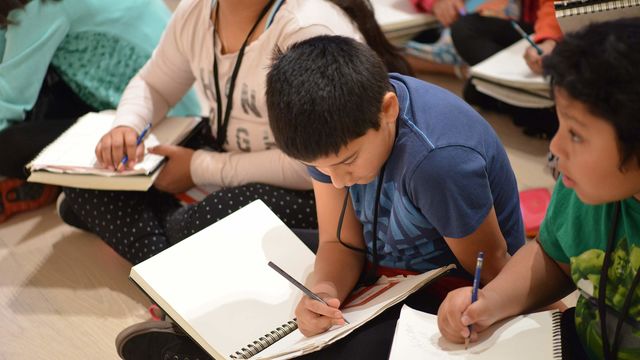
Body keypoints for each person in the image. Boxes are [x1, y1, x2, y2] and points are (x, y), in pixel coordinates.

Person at [60, 0, 411, 266]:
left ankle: (158, 245)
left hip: (312, 183)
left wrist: (199, 167)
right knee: (84, 179)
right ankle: (170, 246)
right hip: (223, 151)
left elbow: (318, 163)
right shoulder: (197, 11)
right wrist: (127, 125)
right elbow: (154, 84)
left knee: (201, 222)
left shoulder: (305, 26)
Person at [263, 34, 524, 358]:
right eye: (319, 169)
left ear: (388, 110)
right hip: (382, 274)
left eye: (347, 162)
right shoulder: (329, 136)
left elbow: (493, 269)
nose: (338, 182)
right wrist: (323, 291)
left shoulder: (438, 161)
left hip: (447, 290)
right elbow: (339, 243)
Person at [437, 18, 640, 360]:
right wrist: (491, 301)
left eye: (576, 134)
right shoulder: (582, 187)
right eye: (558, 124)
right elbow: (553, 257)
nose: (556, 147)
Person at [0, 0, 200, 224]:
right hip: (179, 110)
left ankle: (74, 185)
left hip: (153, 127)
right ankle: (67, 185)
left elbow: (10, 98)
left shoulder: (38, 9)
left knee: (7, 146)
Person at [449, 0, 563, 138]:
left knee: (476, 91)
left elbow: (556, 6)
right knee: (473, 91)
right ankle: (526, 105)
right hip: (526, 22)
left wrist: (549, 39)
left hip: (553, 26)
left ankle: (522, 105)